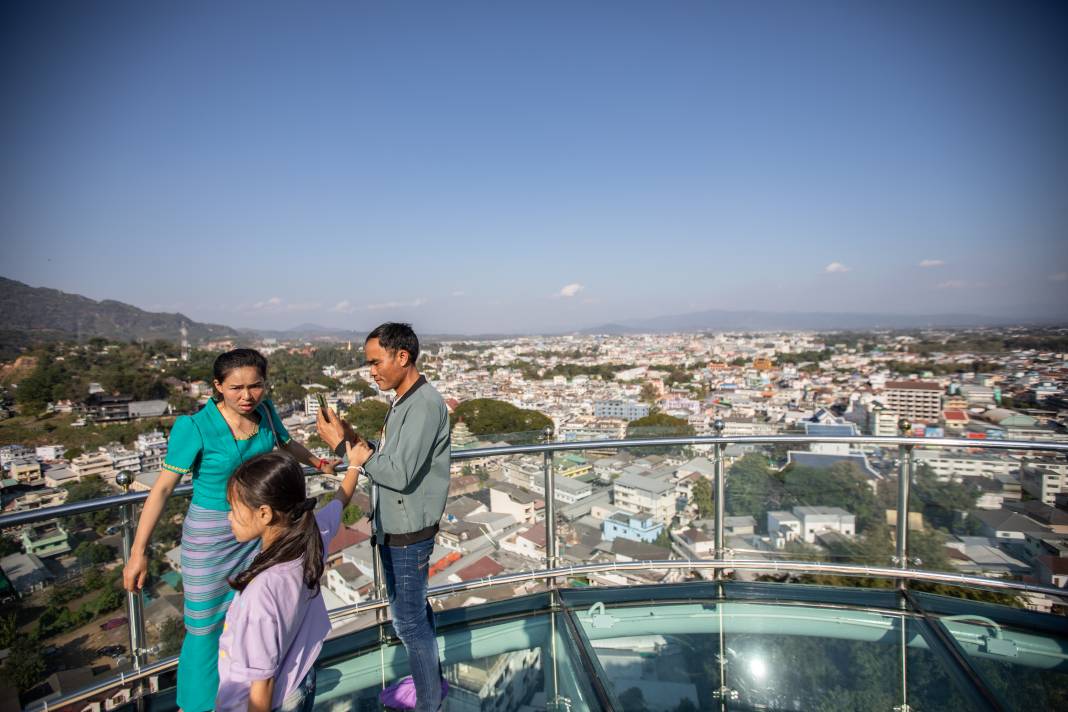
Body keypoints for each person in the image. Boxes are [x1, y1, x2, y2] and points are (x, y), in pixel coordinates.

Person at [123, 348, 338, 712]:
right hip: (210, 538)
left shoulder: (266, 414)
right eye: (236, 387)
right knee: (205, 627)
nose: (247, 395)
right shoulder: (195, 427)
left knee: (248, 618)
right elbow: (161, 489)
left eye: (255, 386)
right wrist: (138, 551)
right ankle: (199, 705)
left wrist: (318, 462)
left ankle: (249, 696)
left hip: (258, 530)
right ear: (217, 386)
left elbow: (287, 445)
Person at [316, 322, 451, 712]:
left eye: (375, 362)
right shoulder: (405, 401)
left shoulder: (423, 405)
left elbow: (398, 474)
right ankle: (430, 684)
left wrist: (345, 445)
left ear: (402, 356)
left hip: (409, 531)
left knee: (408, 622)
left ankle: (427, 701)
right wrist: (352, 439)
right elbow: (391, 459)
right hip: (398, 526)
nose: (371, 371)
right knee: (415, 614)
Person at [216, 450, 357, 712]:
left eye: (234, 509)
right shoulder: (311, 539)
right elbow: (340, 501)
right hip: (300, 678)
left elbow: (262, 683)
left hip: (269, 699)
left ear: (264, 513)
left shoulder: (262, 590)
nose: (229, 517)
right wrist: (355, 465)